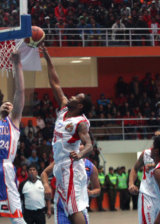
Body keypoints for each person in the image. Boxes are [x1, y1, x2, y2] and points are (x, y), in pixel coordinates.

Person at [40, 45, 93, 224]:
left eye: (76, 98)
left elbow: (89, 145)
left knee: (73, 208)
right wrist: (47, 58)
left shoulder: (81, 122)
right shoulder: (64, 109)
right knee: (68, 207)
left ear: (80, 106)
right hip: (61, 166)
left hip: (71, 166)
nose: (71, 97)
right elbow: (55, 83)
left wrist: (80, 154)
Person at [0, 52, 27, 224]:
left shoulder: (13, 119)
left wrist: (17, 65)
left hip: (5, 169)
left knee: (17, 219)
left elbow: (20, 91)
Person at [41, 158, 100, 224]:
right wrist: (46, 185)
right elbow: (44, 173)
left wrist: (90, 192)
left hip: (79, 206)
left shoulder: (90, 166)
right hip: (62, 206)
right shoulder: (62, 158)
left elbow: (98, 189)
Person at [128, 130, 160, 224]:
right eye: (155, 136)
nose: (157, 138)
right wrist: (131, 184)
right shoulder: (146, 153)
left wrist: (154, 165)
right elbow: (135, 168)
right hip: (147, 195)